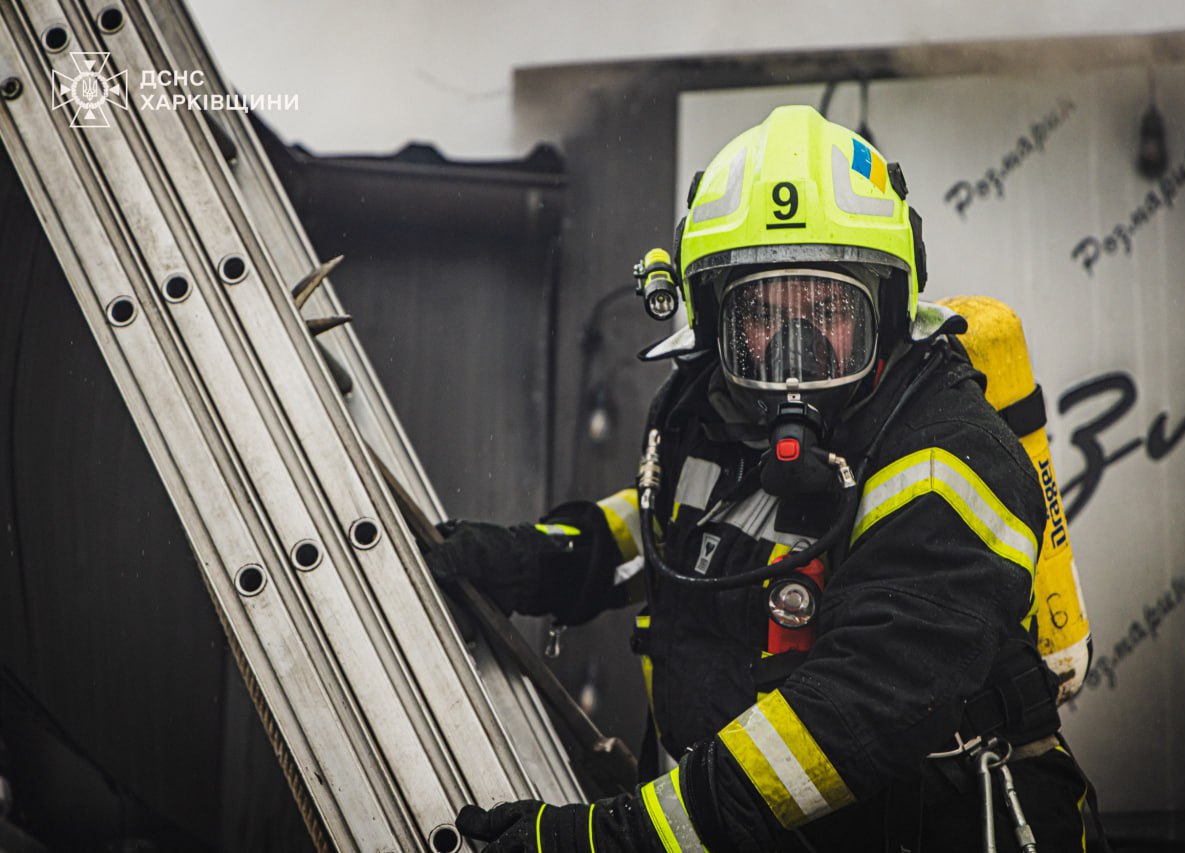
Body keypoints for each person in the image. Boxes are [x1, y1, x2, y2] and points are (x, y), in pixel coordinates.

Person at [429, 105, 1095, 852]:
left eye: (825, 308)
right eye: (761, 313)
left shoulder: (950, 459)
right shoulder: (712, 408)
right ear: (715, 319)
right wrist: (549, 555)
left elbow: (848, 716)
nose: (792, 349)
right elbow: (678, 523)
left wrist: (618, 839)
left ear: (886, 304)